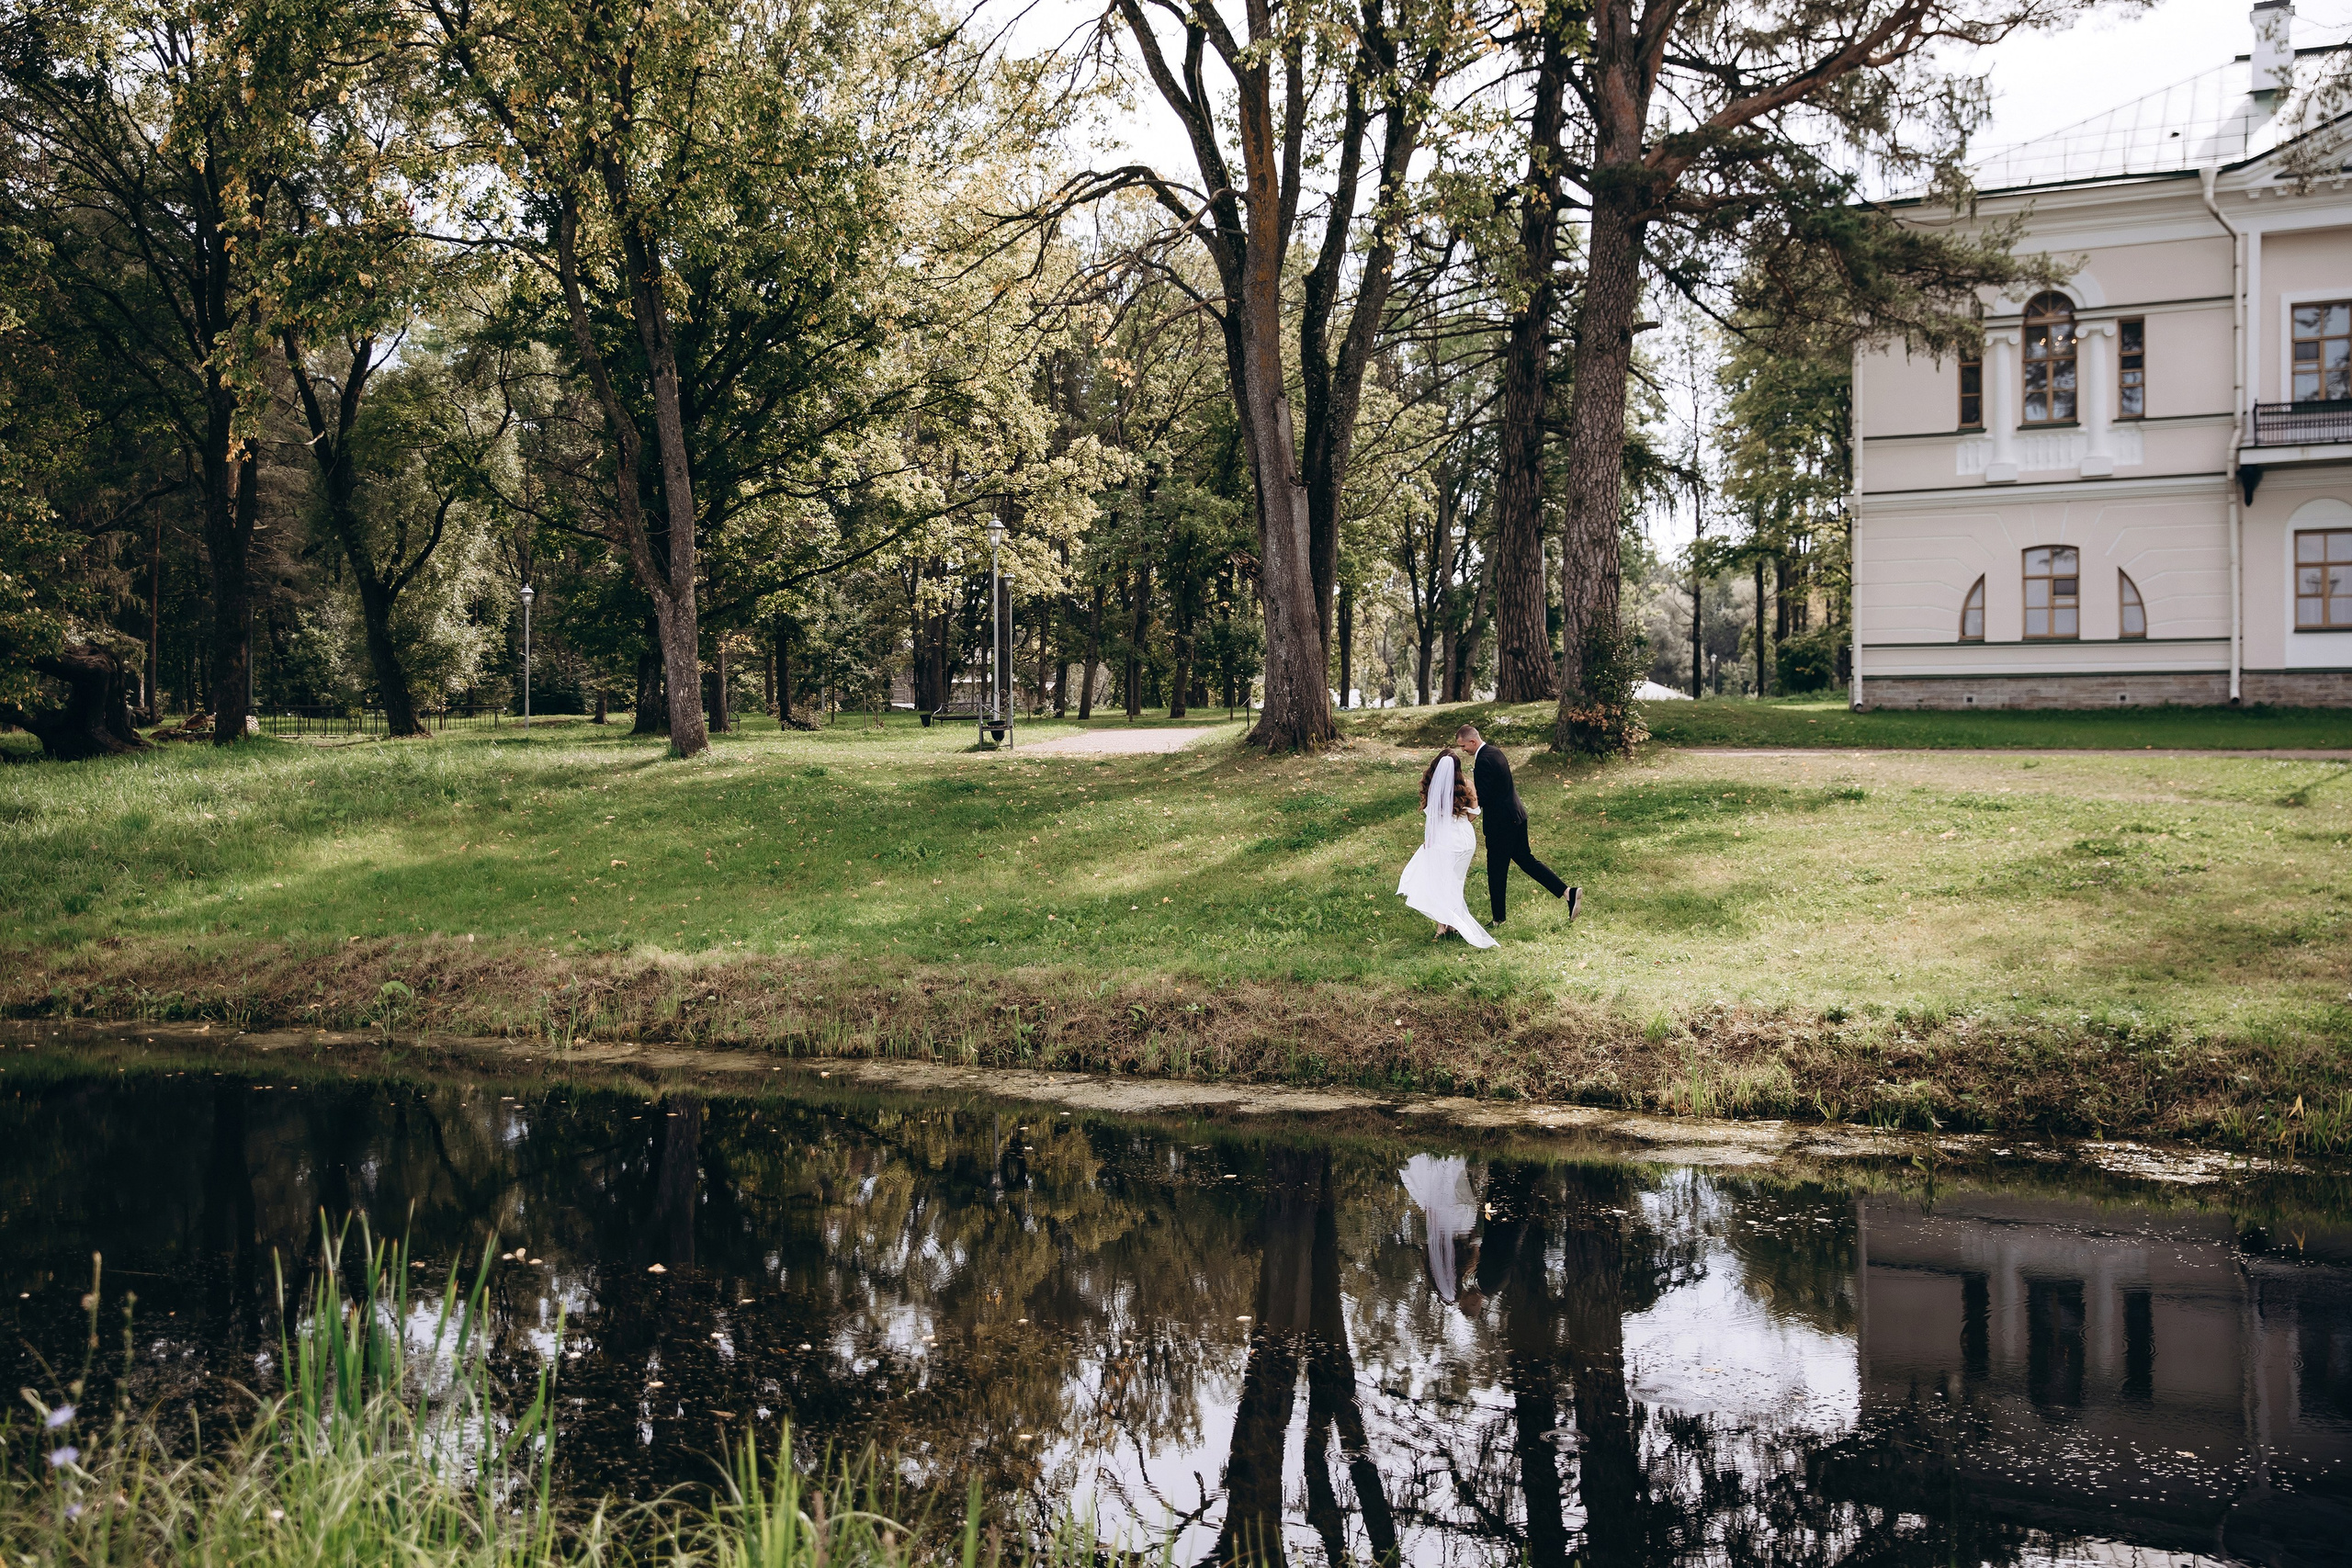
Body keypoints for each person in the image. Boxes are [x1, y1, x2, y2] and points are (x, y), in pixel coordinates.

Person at [1458, 723, 1579, 926]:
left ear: (1472, 741)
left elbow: (1483, 797)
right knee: (1526, 861)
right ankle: (1568, 893)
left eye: (1463, 746)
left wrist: (1463, 806)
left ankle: (1498, 919)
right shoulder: (1495, 752)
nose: (1463, 750)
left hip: (1502, 824)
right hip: (1517, 816)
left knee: (1496, 871)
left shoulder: (1483, 760)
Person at [1396, 744, 1495, 947]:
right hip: (1465, 839)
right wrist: (1460, 821)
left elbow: (1432, 817)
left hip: (1443, 839)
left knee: (1440, 883)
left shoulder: (1432, 785)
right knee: (1456, 882)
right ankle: (1451, 924)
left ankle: (1444, 925)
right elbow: (1474, 813)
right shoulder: (1467, 784)